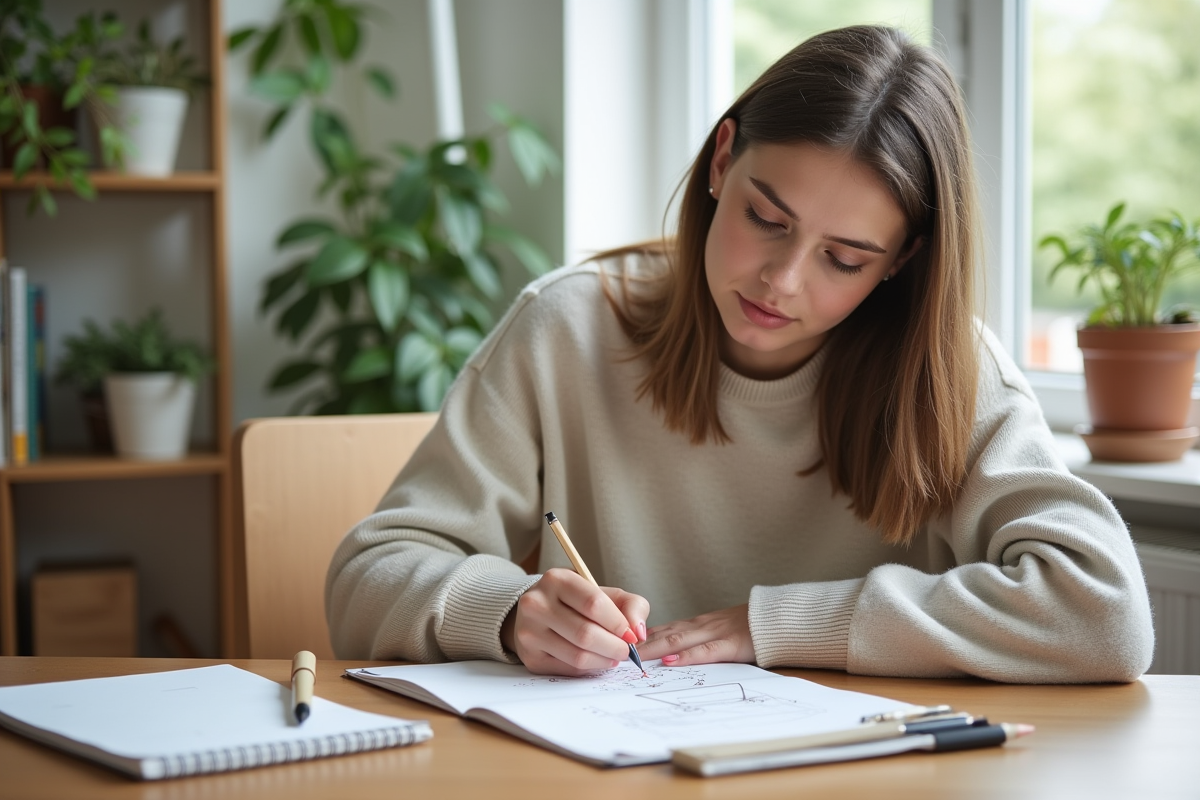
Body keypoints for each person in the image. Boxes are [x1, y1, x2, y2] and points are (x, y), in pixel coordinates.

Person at [326, 25, 1154, 683]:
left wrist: (780, 627)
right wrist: (505, 613)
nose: (783, 281)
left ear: (901, 261)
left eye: (844, 259)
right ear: (723, 160)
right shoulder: (567, 328)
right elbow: (369, 576)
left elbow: (1105, 614)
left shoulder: (947, 370)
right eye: (768, 217)